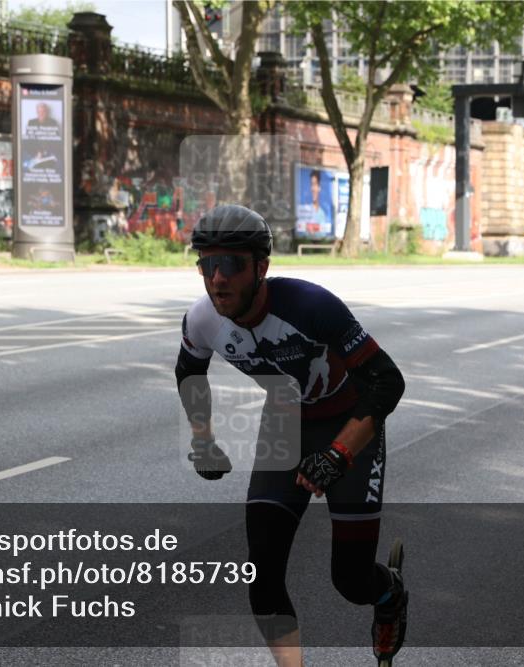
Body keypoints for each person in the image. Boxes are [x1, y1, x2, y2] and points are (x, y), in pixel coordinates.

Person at [175, 205, 408, 665]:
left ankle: (390, 597)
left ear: (261, 267)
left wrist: (339, 455)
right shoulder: (202, 320)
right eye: (207, 264)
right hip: (285, 424)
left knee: (351, 580)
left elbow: (387, 381)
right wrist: (203, 438)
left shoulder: (311, 305)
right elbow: (189, 371)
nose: (218, 278)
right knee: (261, 574)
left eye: (232, 265)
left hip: (349, 425)